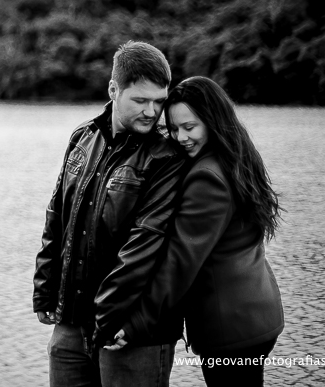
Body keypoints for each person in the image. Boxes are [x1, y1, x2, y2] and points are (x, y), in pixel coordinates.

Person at [101, 76, 284, 387]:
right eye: (174, 129)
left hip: (231, 326)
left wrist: (137, 323)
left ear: (213, 122)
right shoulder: (234, 158)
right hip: (256, 313)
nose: (181, 137)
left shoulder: (207, 178)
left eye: (189, 127)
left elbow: (181, 261)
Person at [34, 41, 188, 387]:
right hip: (72, 322)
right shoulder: (83, 137)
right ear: (113, 90)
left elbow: (145, 244)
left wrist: (107, 319)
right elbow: (57, 216)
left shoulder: (167, 157)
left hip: (131, 331)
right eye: (140, 100)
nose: (151, 112)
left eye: (159, 101)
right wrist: (45, 289)